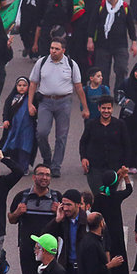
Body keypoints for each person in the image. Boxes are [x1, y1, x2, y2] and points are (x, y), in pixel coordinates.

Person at [28, 37, 89, 177]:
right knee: (41, 132)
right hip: (45, 102)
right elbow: (33, 83)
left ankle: (56, 166)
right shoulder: (42, 62)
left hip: (64, 102)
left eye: (56, 49)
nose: (53, 51)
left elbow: (78, 87)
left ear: (63, 50)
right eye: (51, 48)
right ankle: (47, 157)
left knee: (61, 136)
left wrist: (85, 108)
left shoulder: (71, 64)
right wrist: (30, 104)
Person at [9, 164, 61, 274]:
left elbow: (64, 222)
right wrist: (18, 212)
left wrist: (58, 212)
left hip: (49, 251)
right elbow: (11, 219)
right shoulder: (22, 197)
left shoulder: (57, 198)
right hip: (28, 250)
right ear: (34, 177)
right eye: (41, 174)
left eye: (47, 175)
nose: (44, 177)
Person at [0, 77, 38, 171]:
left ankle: (24, 167)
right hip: (14, 128)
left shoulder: (32, 99)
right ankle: (15, 166)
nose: (22, 87)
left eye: (24, 85)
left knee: (25, 147)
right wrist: (6, 120)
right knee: (13, 146)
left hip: (27, 128)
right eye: (19, 85)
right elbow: (6, 110)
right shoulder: (12, 98)